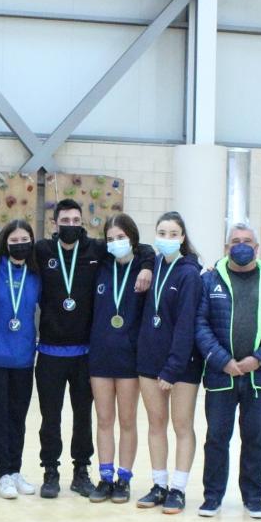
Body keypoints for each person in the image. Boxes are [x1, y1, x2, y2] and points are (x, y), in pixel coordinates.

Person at [0, 198, 151, 499]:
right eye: (65, 221)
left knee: (84, 417)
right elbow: (12, 244)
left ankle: (81, 471)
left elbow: (141, 248)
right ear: (55, 224)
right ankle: (50, 471)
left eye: (76, 220)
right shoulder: (42, 250)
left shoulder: (97, 250)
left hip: (85, 353)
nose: (70, 225)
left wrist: (148, 267)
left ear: (82, 222)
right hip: (48, 352)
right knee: (50, 417)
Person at [194, 223, 261, 518]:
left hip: (259, 375)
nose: (241, 246)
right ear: (226, 248)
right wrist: (222, 359)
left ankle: (253, 497)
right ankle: (212, 497)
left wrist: (259, 358)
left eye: (247, 241)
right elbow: (200, 323)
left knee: (255, 438)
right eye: (235, 241)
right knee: (216, 437)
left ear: (257, 247)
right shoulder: (210, 279)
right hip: (220, 373)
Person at [135, 212, 203, 514]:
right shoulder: (154, 265)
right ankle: (159, 484)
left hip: (181, 365)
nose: (166, 237)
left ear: (182, 237)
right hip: (149, 360)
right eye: (161, 232)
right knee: (155, 424)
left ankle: (178, 488)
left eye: (172, 233)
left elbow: (186, 325)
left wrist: (173, 369)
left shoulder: (190, 273)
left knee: (182, 425)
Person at [88, 214, 147, 504]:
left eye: (121, 237)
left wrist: (146, 261)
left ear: (132, 238)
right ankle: (105, 476)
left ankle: (124, 478)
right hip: (100, 355)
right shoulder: (101, 266)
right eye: (110, 238)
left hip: (129, 358)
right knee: (103, 419)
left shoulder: (143, 268)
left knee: (126, 420)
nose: (115, 243)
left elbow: (149, 250)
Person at [0, 220, 42, 500]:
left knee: (18, 418)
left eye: (25, 239)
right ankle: (2, 473)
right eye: (14, 239)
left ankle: (15, 471)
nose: (20, 244)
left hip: (24, 358)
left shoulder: (35, 273)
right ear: (5, 242)